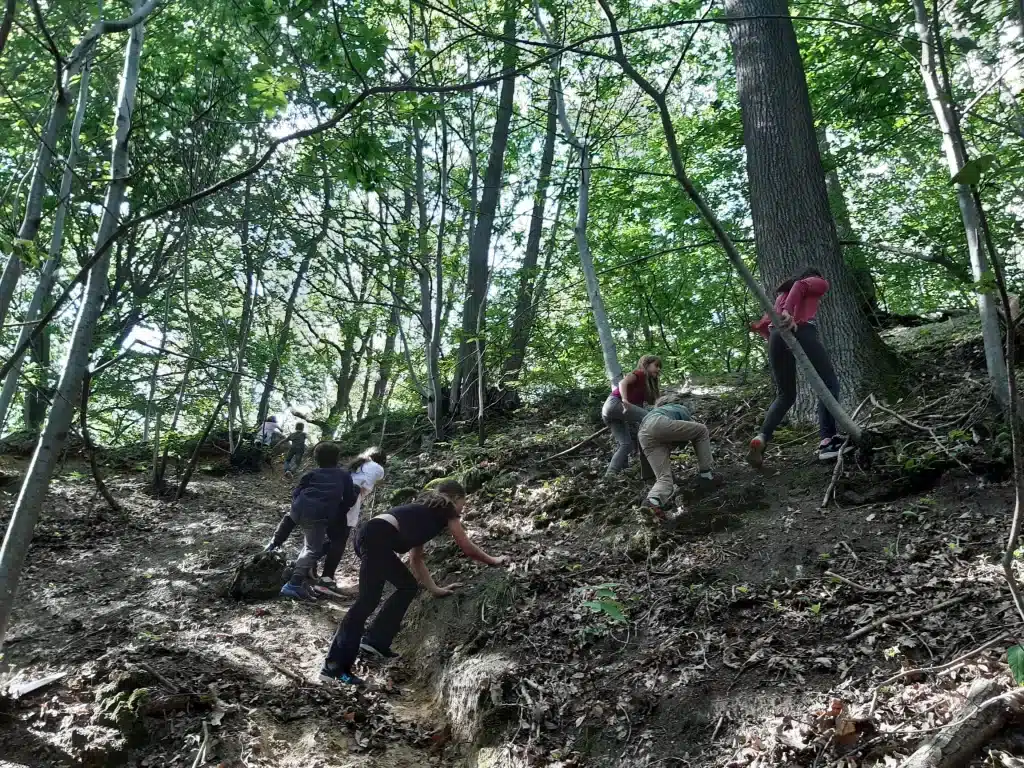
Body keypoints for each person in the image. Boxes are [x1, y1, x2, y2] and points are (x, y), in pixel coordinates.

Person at [319, 480, 506, 687]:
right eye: (463, 502)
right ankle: (334, 667)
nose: (462, 508)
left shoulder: (426, 514)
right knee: (366, 602)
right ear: (454, 498)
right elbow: (466, 546)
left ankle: (375, 641)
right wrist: (493, 560)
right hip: (375, 538)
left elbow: (416, 559)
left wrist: (435, 589)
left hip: (371, 536)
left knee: (407, 586)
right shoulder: (447, 508)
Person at [747, 267, 849, 467]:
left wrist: (774, 333)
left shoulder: (782, 295)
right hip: (801, 328)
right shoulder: (817, 281)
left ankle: (762, 437)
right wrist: (789, 313)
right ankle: (828, 441)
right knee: (829, 383)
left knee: (786, 394)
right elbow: (800, 285)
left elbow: (766, 324)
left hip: (776, 334)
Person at [279, 442, 357, 601]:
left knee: (310, 545)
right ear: (337, 458)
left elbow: (296, 493)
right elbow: (349, 500)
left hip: (298, 510)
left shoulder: (310, 474)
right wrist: (339, 507)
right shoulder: (343, 475)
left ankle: (297, 576)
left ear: (316, 459)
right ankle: (293, 584)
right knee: (313, 548)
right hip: (319, 515)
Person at [637, 392, 721, 515]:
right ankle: (706, 475)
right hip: (660, 424)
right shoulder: (678, 407)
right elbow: (691, 436)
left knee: (664, 478)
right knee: (702, 430)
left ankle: (652, 503)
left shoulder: (653, 413)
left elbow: (644, 454)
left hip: (642, 434)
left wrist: (648, 476)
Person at [317, 448, 387, 590]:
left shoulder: (355, 465)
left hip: (332, 499)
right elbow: (376, 481)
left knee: (330, 537)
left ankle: (305, 565)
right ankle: (326, 577)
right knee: (339, 541)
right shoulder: (378, 468)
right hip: (349, 503)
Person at [602, 355, 662, 477]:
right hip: (615, 403)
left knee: (626, 444)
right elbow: (622, 382)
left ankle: (610, 475)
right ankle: (653, 465)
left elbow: (650, 403)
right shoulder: (639, 374)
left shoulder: (646, 385)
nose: (659, 369)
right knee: (650, 418)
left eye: (659, 367)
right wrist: (624, 399)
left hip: (609, 412)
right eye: (656, 365)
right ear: (646, 365)